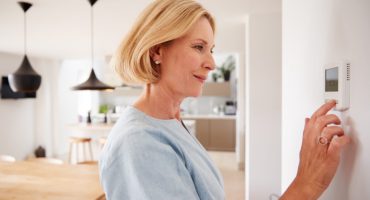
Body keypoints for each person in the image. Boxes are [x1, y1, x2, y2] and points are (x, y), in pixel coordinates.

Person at [98, 0, 351, 199]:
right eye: (198, 47)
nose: (211, 63)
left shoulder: (170, 122)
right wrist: (306, 185)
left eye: (211, 49)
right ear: (156, 51)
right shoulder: (140, 143)